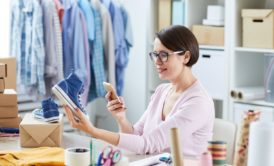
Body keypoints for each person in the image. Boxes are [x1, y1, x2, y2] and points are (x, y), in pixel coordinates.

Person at [64, 25, 215, 157]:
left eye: (163, 55)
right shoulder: (162, 91)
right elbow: (136, 137)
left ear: (186, 57)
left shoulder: (198, 102)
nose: (157, 61)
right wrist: (121, 118)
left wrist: (93, 131)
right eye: (155, 54)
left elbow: (146, 144)